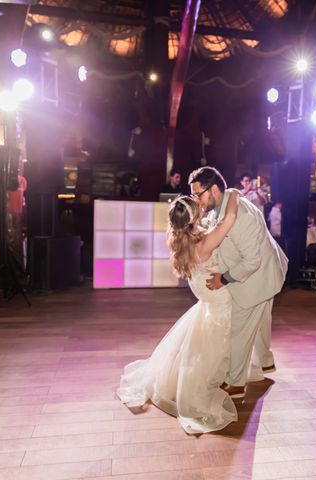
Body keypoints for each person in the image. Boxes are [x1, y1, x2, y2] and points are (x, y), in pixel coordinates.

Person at [118, 193, 243, 434]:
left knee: (200, 341)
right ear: (195, 217)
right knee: (217, 343)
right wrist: (234, 195)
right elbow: (230, 218)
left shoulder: (184, 240)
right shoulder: (204, 243)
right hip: (216, 299)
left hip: (203, 296)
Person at [190, 167, 288, 399]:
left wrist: (223, 278)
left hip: (257, 277)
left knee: (238, 330)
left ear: (214, 189)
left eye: (198, 194)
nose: (197, 200)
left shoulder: (240, 215)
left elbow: (252, 261)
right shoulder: (223, 203)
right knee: (262, 321)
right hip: (267, 270)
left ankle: (235, 383)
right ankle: (265, 363)